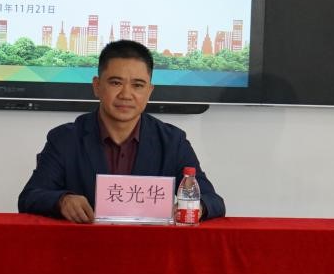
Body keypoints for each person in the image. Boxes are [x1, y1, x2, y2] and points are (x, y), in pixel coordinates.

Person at [18, 39, 225, 223]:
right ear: (97, 86)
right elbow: (30, 197)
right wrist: (62, 201)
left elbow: (213, 200)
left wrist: (196, 208)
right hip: (84, 247)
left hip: (150, 248)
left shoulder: (172, 141)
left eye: (138, 85)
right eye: (116, 83)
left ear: (149, 91)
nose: (126, 94)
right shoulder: (65, 139)